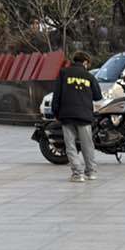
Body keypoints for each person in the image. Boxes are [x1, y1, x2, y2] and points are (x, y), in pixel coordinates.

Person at [50, 50, 102, 182]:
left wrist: (55, 112)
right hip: (84, 116)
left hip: (67, 115)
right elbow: (98, 96)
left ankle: (78, 174)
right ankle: (91, 172)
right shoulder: (89, 76)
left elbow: (57, 95)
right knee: (87, 145)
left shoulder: (63, 73)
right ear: (85, 62)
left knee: (70, 145)